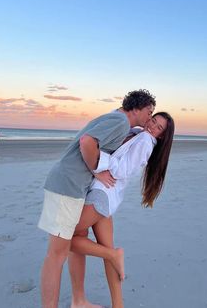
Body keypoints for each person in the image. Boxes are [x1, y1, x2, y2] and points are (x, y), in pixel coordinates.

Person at [38, 89, 156, 308]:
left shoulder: (117, 118)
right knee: (56, 255)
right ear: (137, 108)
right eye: (149, 112)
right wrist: (96, 170)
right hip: (68, 185)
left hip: (75, 187)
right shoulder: (121, 121)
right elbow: (86, 142)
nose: (150, 118)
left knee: (71, 243)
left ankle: (79, 300)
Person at [68, 112, 175, 308]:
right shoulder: (137, 132)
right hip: (105, 195)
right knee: (105, 247)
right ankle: (118, 305)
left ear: (161, 136)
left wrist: (98, 157)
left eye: (159, 127)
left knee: (66, 237)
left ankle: (113, 256)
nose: (152, 126)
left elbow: (122, 170)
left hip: (101, 195)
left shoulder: (145, 140)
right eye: (153, 120)